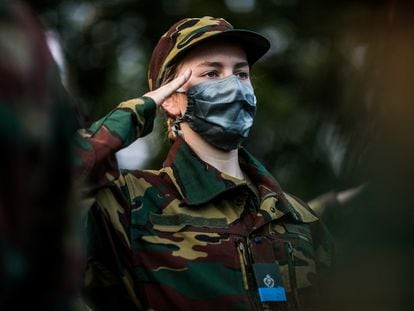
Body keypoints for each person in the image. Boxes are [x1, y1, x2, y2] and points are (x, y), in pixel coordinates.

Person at [75, 16, 334, 310]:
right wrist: (142, 108)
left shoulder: (297, 218)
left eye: (242, 74)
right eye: (212, 73)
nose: (234, 86)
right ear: (171, 98)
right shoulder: (130, 204)